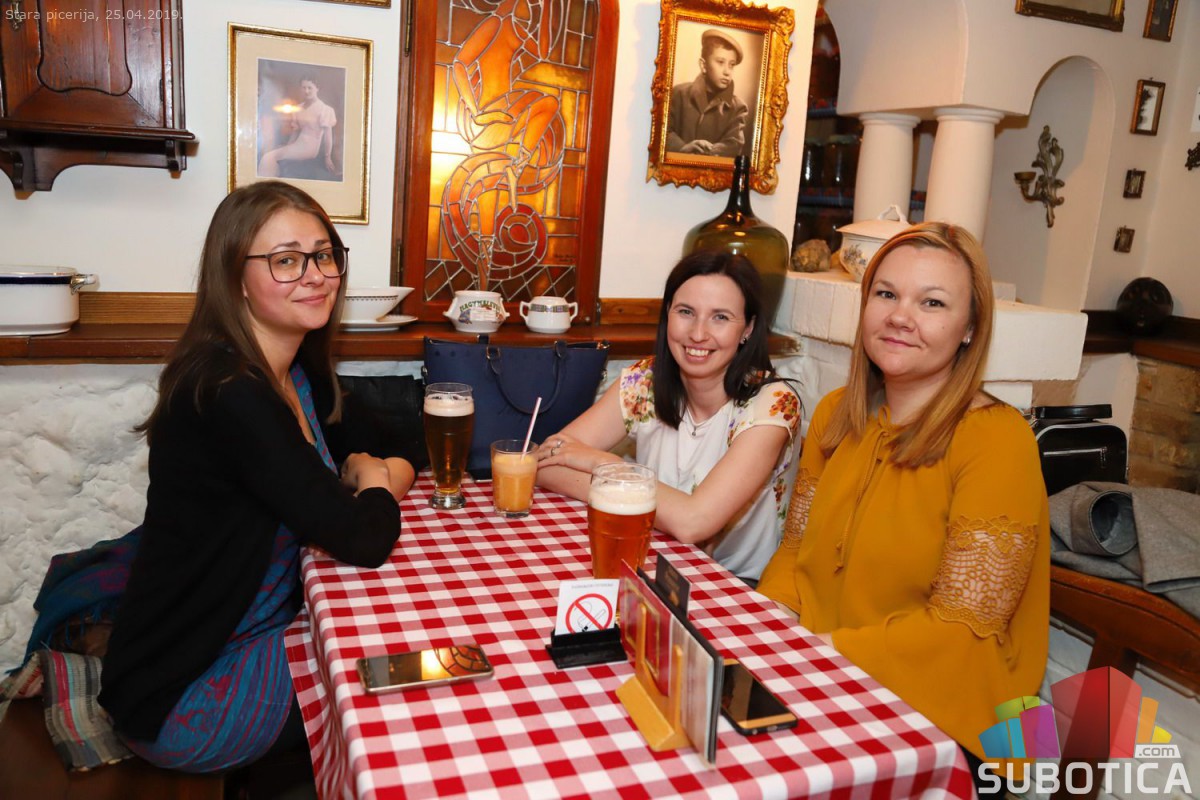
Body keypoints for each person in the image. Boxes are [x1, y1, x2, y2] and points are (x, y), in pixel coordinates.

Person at [22, 181, 415, 774]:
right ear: (235, 278)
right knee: (392, 676)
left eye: (324, 254)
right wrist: (378, 480)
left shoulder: (294, 370)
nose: (315, 275)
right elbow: (365, 538)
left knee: (394, 648)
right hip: (191, 693)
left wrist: (376, 470)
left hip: (252, 634)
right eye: (286, 260)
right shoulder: (229, 392)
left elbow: (396, 443)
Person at [756, 222, 1049, 790]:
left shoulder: (997, 439)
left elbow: (962, 632)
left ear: (970, 329)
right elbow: (795, 552)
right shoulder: (837, 414)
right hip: (831, 686)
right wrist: (768, 632)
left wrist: (812, 654)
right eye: (886, 294)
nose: (900, 316)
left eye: (932, 303)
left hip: (956, 732)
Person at [535, 250, 800, 582]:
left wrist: (609, 468)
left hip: (732, 583)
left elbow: (693, 522)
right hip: (652, 563)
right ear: (668, 315)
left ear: (748, 328)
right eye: (686, 312)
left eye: (720, 317)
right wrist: (622, 485)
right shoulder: (645, 381)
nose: (698, 333)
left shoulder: (772, 403)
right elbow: (544, 463)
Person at [666, 29, 749, 158]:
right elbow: (663, 131)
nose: (727, 71)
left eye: (731, 65)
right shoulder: (678, 94)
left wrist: (706, 151)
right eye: (720, 62)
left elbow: (734, 145)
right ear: (703, 65)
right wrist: (682, 147)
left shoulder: (738, 107)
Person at [258, 77, 338, 178]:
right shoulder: (298, 108)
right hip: (297, 144)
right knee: (268, 156)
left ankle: (267, 182)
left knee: (269, 157)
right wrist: (287, 146)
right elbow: (296, 132)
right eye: (304, 88)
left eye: (310, 88)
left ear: (317, 88)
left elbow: (328, 136)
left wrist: (327, 157)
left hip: (309, 148)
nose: (306, 91)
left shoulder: (325, 109)